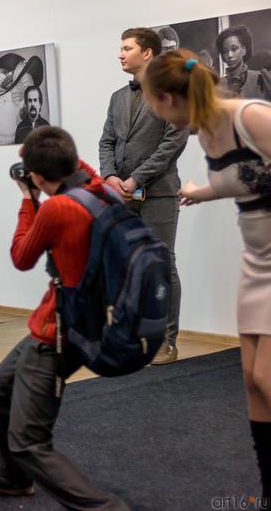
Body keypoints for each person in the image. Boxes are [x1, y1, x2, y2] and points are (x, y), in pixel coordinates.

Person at [0, 126, 130, 510]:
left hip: (61, 331)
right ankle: (12, 477)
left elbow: (22, 257)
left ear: (37, 176)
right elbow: (78, 166)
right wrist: (43, 150)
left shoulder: (57, 208)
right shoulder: (103, 190)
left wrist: (26, 197)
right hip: (86, 319)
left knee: (28, 442)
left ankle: (106, 508)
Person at [143, 49, 271, 501]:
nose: (151, 111)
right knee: (253, 380)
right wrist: (201, 192)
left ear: (166, 98)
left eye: (150, 102)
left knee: (269, 378)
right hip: (257, 262)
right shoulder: (205, 133)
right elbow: (243, 178)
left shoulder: (251, 115)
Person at [98, 27, 189, 364]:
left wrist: (136, 177)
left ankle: (167, 341)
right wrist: (110, 176)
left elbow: (173, 144)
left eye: (127, 48)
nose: (120, 54)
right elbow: (107, 140)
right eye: (120, 48)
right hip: (122, 196)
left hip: (158, 194)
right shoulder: (117, 98)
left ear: (148, 53)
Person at [216, 25, 271, 101]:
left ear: (244, 50)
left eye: (234, 49)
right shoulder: (219, 85)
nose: (229, 55)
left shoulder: (261, 78)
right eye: (225, 51)